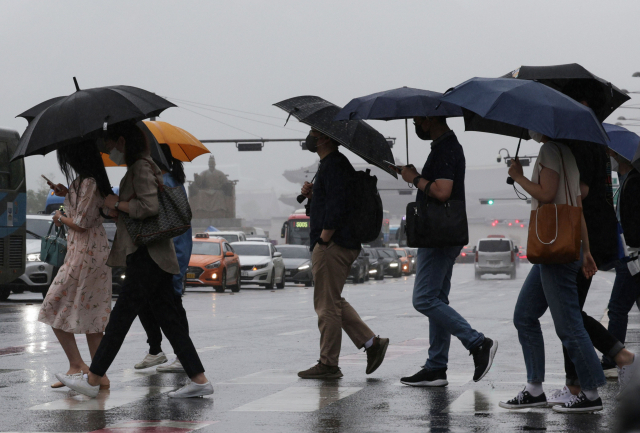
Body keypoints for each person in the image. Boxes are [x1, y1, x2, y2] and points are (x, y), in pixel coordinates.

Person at [56, 122, 212, 398]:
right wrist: (112, 204)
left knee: (121, 317)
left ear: (122, 141)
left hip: (147, 254)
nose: (109, 150)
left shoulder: (140, 167)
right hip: (152, 254)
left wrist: (116, 203)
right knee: (170, 320)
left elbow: (148, 207)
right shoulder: (140, 165)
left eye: (111, 144)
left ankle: (93, 380)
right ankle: (199, 379)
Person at [543, 86, 637, 404]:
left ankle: (613, 361)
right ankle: (577, 385)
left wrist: (547, 186)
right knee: (568, 312)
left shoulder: (582, 143)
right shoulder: (592, 139)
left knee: (568, 313)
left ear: (582, 103)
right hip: (586, 237)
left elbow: (578, 194)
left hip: (583, 238)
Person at [499, 131, 605, 413]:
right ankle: (534, 389)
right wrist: (585, 250)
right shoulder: (567, 153)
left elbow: (546, 194)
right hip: (564, 246)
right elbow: (577, 206)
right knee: (524, 315)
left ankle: (591, 392)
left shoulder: (549, 152)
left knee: (569, 325)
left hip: (554, 250)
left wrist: (518, 176)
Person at [399, 116, 497, 387]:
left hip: (437, 235)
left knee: (424, 299)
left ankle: (477, 342)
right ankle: (436, 367)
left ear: (430, 120)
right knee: (437, 299)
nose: (417, 124)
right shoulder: (445, 146)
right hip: (444, 233)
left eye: (419, 120)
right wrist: (417, 176)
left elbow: (442, 192)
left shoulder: (445, 148)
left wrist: (414, 177)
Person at [297, 128, 389, 379]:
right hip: (335, 243)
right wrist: (313, 196)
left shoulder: (335, 165)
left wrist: (324, 240)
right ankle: (372, 344)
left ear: (325, 137)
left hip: (333, 244)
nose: (310, 137)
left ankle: (328, 364)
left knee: (326, 306)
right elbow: (329, 203)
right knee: (333, 301)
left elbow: (337, 207)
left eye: (313, 133)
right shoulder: (329, 165)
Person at [38, 140, 113, 390]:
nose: (66, 163)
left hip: (88, 253)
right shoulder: (83, 181)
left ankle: (84, 367)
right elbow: (81, 213)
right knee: (87, 311)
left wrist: (60, 216)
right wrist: (65, 193)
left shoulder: (90, 182)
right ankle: (92, 371)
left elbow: (81, 222)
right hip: (82, 251)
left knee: (55, 304)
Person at [134, 143, 193, 373]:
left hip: (171, 253)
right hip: (172, 251)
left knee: (172, 306)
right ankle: (158, 350)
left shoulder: (165, 183)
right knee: (149, 302)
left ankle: (181, 356)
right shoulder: (170, 181)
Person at [603, 148, 639, 387]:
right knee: (621, 306)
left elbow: (632, 222)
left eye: (612, 155)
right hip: (630, 256)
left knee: (617, 307)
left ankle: (611, 360)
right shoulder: (626, 181)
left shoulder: (634, 182)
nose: (610, 159)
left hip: (633, 256)